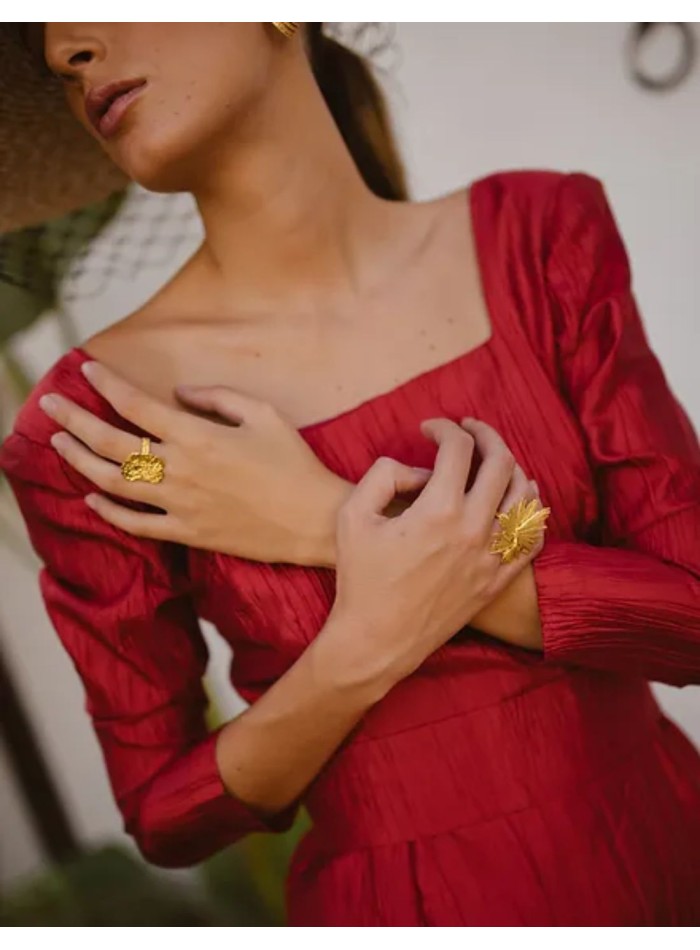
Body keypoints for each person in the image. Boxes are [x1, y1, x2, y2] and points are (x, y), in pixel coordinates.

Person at [1, 23, 699, 926]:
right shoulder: (102, 424)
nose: (65, 49)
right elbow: (167, 816)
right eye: (43, 33)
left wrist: (320, 520)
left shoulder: (542, 235)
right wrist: (354, 655)